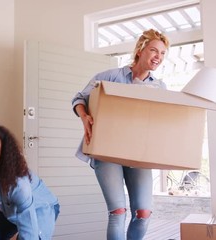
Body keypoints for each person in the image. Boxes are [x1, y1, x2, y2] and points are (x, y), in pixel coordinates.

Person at [71, 29, 170, 240]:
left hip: (139, 154)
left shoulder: (159, 87)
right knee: (118, 212)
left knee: (143, 213)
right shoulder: (109, 77)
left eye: (162, 53)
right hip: (106, 151)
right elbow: (79, 99)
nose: (158, 57)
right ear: (140, 50)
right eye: (154, 50)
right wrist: (84, 117)